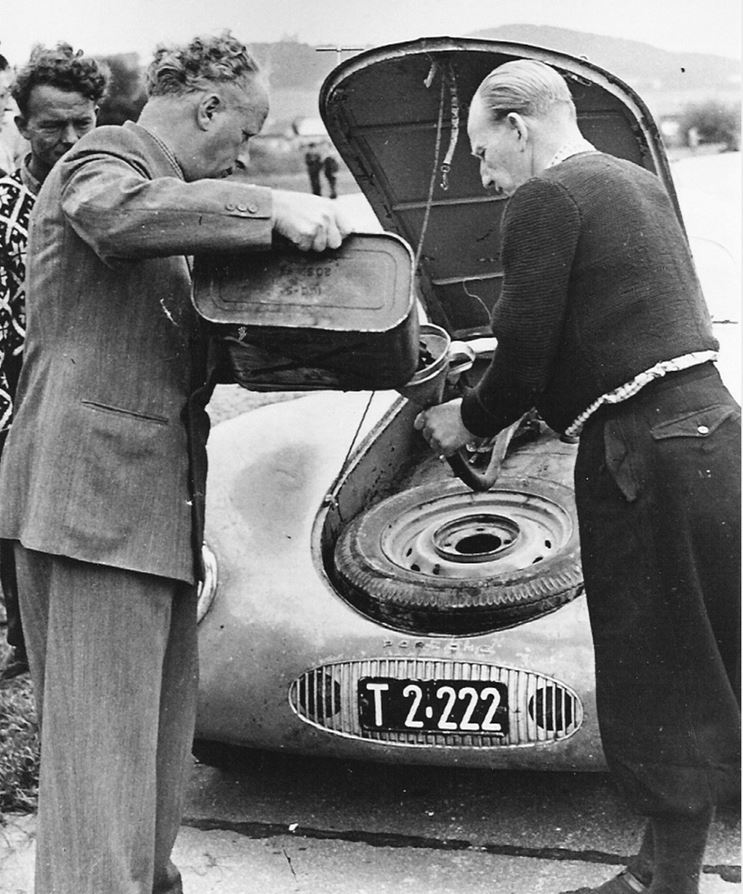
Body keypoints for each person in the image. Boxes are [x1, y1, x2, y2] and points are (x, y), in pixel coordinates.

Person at [0, 31, 351, 894]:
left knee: (153, 742)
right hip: (90, 507)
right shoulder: (101, 160)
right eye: (245, 132)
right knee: (101, 752)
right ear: (208, 107)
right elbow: (114, 212)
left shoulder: (176, 207)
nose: (245, 153)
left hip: (147, 509)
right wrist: (269, 208)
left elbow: (198, 349)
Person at [414, 60, 739, 894]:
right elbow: (617, 321)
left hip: (640, 453)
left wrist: (467, 418)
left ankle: (667, 886)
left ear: (517, 127)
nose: (485, 176)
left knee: (653, 666)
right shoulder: (633, 181)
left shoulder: (544, 197)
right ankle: (659, 868)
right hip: (712, 431)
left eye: (482, 153)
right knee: (710, 655)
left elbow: (524, 357)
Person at [0, 43, 109, 684]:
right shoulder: (3, 207)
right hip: (17, 398)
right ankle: (28, 641)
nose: (70, 140)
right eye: (51, 126)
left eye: (82, 123)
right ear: (22, 126)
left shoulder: (117, 193)